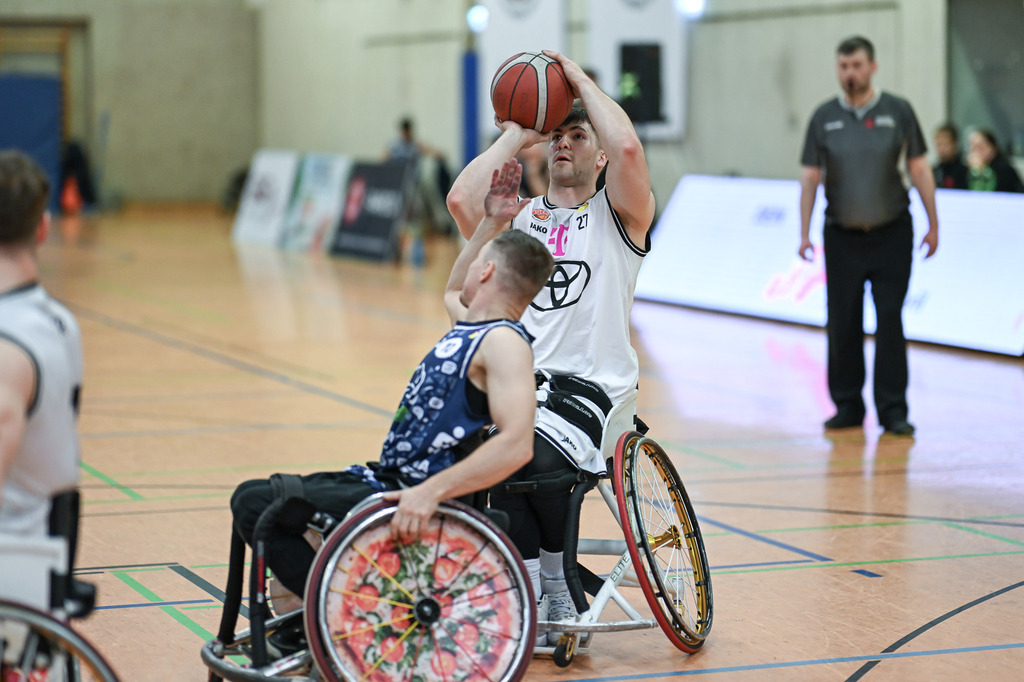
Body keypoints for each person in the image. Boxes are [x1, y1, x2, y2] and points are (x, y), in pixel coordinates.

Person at [229, 160, 553, 607]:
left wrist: (429, 492)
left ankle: (337, 620)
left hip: (413, 490)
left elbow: (517, 445)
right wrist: (493, 222)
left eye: (477, 259)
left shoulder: (504, 344)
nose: (470, 264)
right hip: (387, 477)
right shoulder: (474, 326)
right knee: (254, 497)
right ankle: (317, 618)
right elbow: (451, 291)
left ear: (487, 273)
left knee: (257, 505)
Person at [446, 49, 655, 643]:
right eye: (557, 136)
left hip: (596, 392)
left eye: (578, 135)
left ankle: (556, 585)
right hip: (524, 384)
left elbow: (633, 151)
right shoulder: (521, 220)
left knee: (526, 452)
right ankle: (531, 587)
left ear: (601, 154)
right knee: (482, 447)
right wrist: (518, 131)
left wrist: (581, 84)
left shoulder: (620, 217)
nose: (564, 143)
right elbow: (462, 202)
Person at [798, 36, 939, 437]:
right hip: (841, 235)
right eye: (844, 66)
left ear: (872, 67)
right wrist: (804, 232)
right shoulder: (824, 117)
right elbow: (810, 177)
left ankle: (893, 410)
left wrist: (934, 222)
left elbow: (920, 168)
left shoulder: (898, 110)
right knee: (843, 321)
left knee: (890, 320)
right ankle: (847, 405)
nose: (850, 73)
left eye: (857, 65)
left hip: (892, 232)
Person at [0, 150, 83, 538]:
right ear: (43, 228)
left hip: (15, 564)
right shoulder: (60, 322)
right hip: (50, 546)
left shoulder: (8, 344)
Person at [966, 128, 1024, 193]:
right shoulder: (965, 170)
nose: (977, 152)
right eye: (973, 148)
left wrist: (983, 170)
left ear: (992, 148)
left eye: (980, 147)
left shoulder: (1005, 170)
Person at [932, 123, 968, 190]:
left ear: (955, 144)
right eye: (939, 144)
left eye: (946, 144)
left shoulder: (965, 171)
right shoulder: (935, 171)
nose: (942, 149)